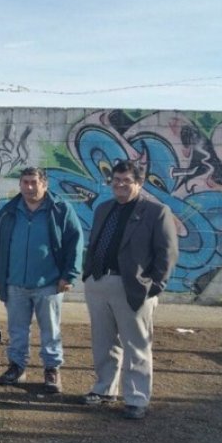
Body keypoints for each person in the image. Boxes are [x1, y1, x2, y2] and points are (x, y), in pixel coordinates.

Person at [81, 160, 178, 420]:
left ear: (139, 183)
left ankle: (136, 398)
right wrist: (88, 275)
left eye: (127, 181)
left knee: (136, 344)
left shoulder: (156, 212)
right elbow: (95, 243)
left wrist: (153, 287)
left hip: (133, 287)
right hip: (99, 283)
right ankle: (104, 389)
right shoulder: (104, 208)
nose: (120, 185)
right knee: (103, 342)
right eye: (116, 180)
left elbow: (167, 254)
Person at [0, 167, 84, 392]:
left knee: (50, 330)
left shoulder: (60, 210)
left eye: (34, 182)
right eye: (25, 182)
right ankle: (17, 366)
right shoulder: (9, 211)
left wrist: (69, 275)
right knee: (17, 330)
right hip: (15, 283)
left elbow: (75, 242)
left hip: (49, 284)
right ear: (20, 184)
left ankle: (52, 369)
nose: (29, 187)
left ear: (44, 184)